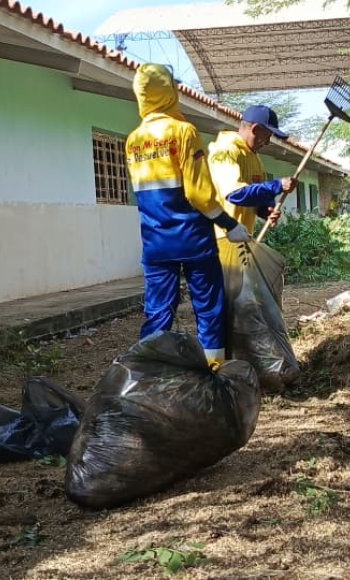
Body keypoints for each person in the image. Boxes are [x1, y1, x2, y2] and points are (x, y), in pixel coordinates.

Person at [125, 63, 250, 369]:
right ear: (169, 91)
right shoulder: (183, 131)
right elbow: (198, 194)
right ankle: (215, 375)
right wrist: (229, 223)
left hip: (155, 242)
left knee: (157, 313)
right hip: (193, 240)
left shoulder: (133, 140)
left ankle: (148, 377)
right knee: (208, 309)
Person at [207, 105, 298, 248]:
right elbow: (235, 194)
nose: (267, 142)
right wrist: (278, 185)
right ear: (255, 129)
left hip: (242, 241)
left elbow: (255, 198)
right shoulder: (225, 150)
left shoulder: (255, 159)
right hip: (220, 241)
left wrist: (266, 210)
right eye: (267, 136)